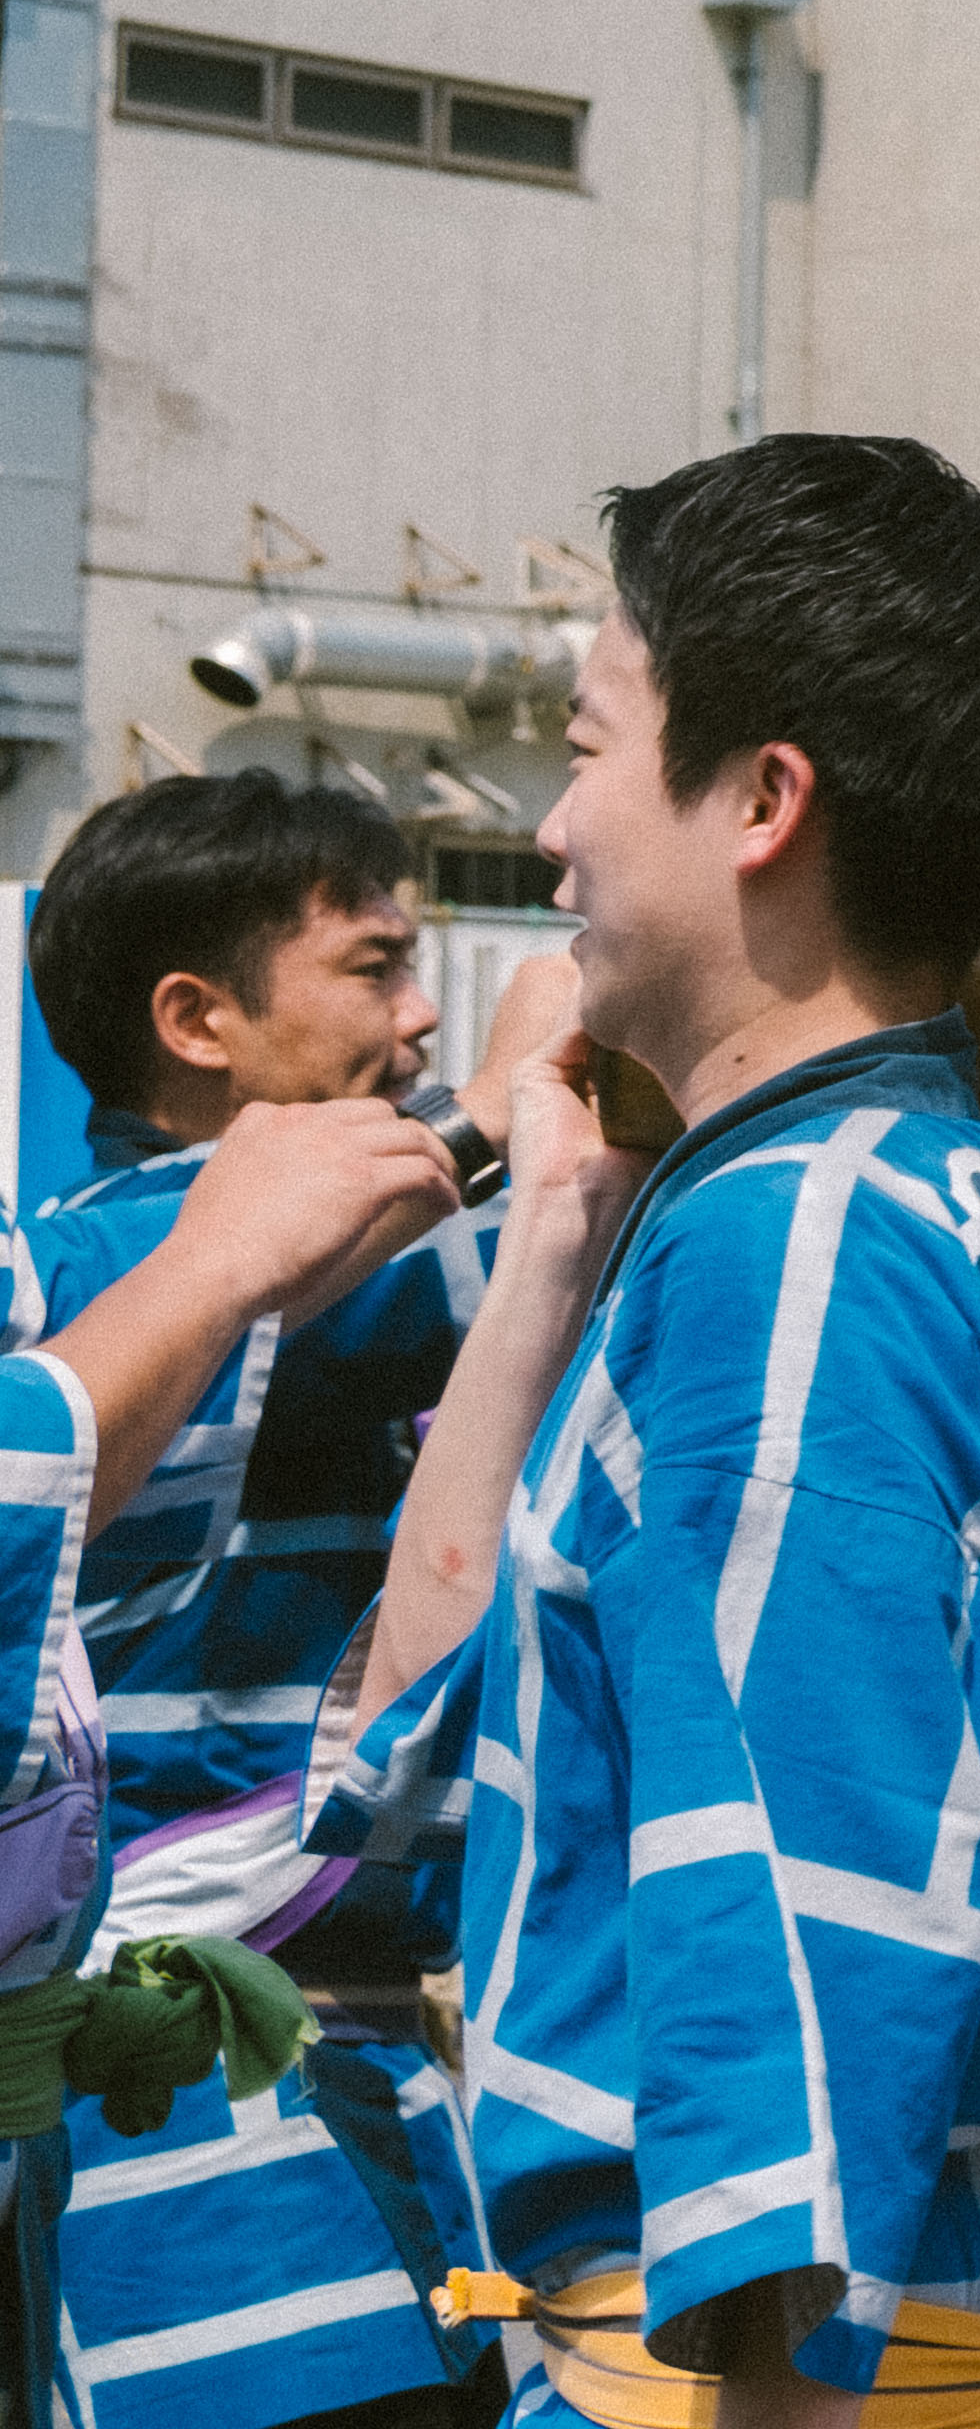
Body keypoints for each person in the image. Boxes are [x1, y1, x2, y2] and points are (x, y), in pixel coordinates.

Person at [310, 431, 980, 2429]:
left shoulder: (801, 1241)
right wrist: (550, 1234)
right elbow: (415, 1776)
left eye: (587, 747)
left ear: (764, 799)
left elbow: (809, 1973)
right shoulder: (840, 1197)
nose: (551, 829)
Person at [21, 777, 499, 2429]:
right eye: (373, 967)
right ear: (196, 1021)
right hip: (201, 2153)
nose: (423, 1014)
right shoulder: (121, 1264)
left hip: (335, 2103)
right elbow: (490, 1262)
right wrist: (550, 1096)